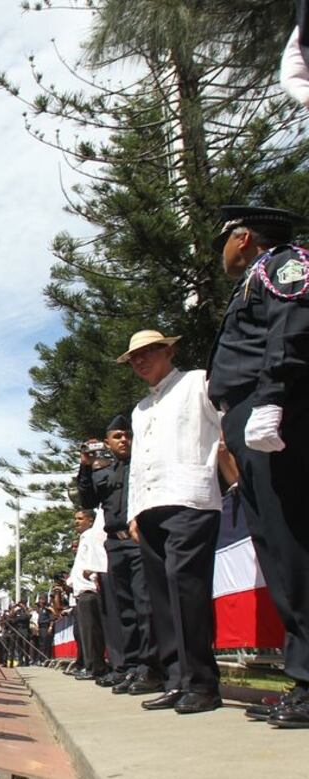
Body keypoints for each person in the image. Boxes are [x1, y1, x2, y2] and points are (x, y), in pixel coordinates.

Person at [208, 204, 309, 728]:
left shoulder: (282, 264)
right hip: (248, 418)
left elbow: (290, 330)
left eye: (224, 239)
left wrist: (269, 398)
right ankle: (303, 678)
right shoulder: (254, 277)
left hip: (273, 410)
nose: (220, 249)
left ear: (243, 237)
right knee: (274, 543)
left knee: (291, 541)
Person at [119, 329, 224, 714]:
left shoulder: (198, 382)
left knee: (187, 592)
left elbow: (225, 425)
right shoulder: (140, 409)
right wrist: (133, 511)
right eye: (134, 358)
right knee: (160, 599)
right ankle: (177, 679)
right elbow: (137, 465)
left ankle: (202, 683)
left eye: (148, 352)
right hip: (150, 507)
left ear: (168, 350)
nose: (141, 361)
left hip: (190, 499)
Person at [76, 417, 162, 694]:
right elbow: (87, 501)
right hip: (114, 545)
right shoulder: (103, 473)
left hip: (139, 541)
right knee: (123, 608)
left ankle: (150, 668)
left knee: (144, 605)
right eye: (117, 436)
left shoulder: (144, 468)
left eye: (127, 435)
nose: (123, 440)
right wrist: (85, 465)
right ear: (108, 442)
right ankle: (128, 666)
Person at [68, 508, 109, 679]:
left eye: (80, 518)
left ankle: (95, 667)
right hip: (81, 592)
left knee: (92, 633)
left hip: (89, 590)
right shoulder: (84, 537)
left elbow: (97, 557)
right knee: (85, 633)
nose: (76, 522)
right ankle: (89, 665)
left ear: (91, 520)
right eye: (75, 519)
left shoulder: (92, 535)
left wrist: (92, 574)